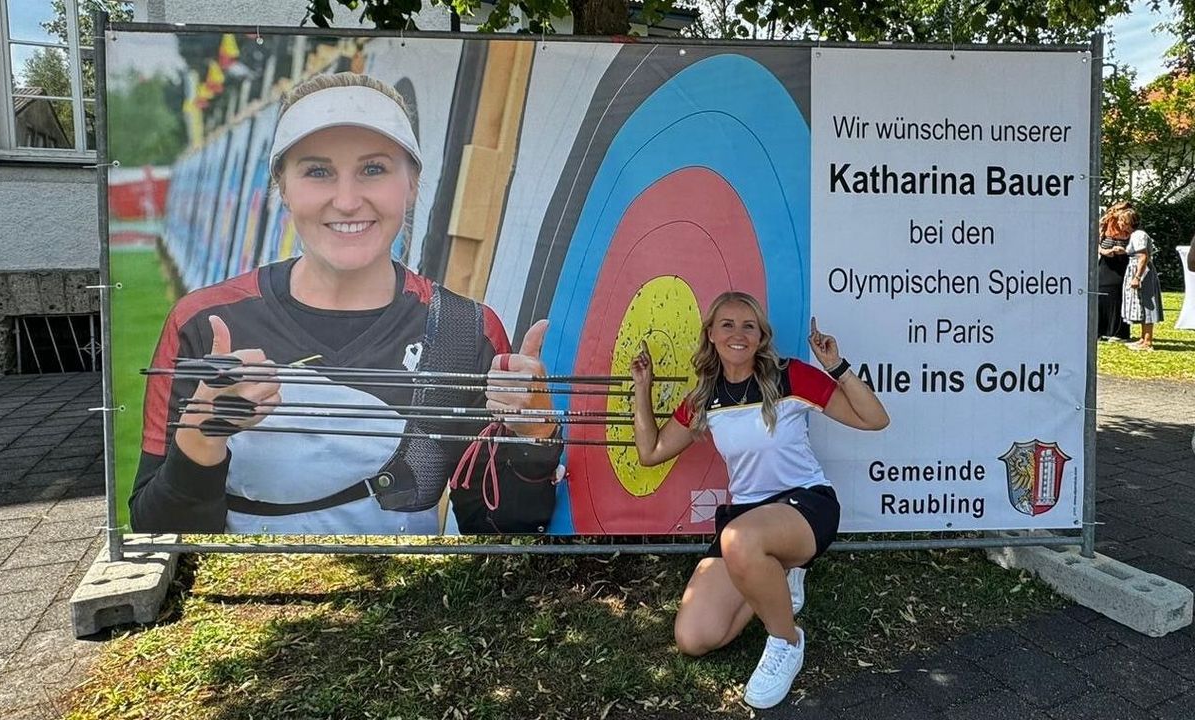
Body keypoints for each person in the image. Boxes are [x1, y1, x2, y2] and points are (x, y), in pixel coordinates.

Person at [130, 72, 562, 535]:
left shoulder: (463, 331)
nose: (347, 200)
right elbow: (154, 533)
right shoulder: (203, 323)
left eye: (373, 169)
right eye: (317, 172)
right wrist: (202, 435)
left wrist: (535, 439)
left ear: (412, 183)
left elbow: (498, 529)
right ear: (282, 188)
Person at [629, 292, 889, 710]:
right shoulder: (703, 399)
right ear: (711, 334)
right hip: (747, 521)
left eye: (749, 326)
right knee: (693, 638)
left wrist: (835, 366)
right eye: (727, 325)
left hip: (806, 505)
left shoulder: (791, 377)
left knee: (739, 540)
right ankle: (775, 572)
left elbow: (875, 419)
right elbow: (651, 452)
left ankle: (786, 641)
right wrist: (644, 389)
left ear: (761, 336)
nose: (738, 334)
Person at [1117, 205, 1163, 351]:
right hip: (1138, 269)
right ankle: (1143, 338)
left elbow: (1143, 256)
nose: (1119, 223)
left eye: (1121, 220)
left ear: (1128, 222)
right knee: (1141, 303)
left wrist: (1137, 276)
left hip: (1143, 273)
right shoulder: (1134, 235)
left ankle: (1148, 342)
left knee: (1147, 304)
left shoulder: (1138, 235)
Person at [1096, 202, 1131, 342]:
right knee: (1101, 291)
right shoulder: (1104, 224)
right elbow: (1095, 242)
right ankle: (1099, 329)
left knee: (1117, 293)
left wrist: (1123, 251)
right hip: (1106, 262)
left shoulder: (1128, 225)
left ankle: (1118, 332)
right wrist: (1104, 251)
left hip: (1121, 263)